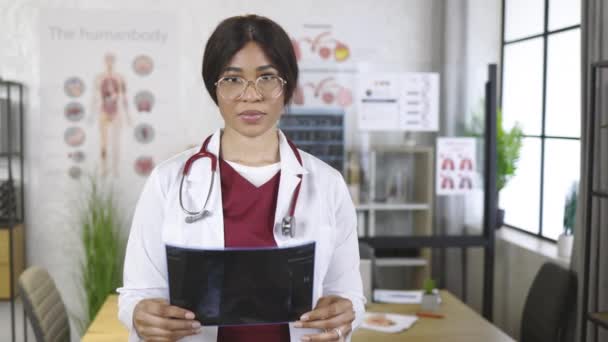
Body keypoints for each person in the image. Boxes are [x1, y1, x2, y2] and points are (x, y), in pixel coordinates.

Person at [117, 14, 365, 342]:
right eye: (233, 79)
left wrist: (345, 313)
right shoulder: (167, 182)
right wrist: (139, 313)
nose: (251, 95)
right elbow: (137, 293)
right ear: (214, 88)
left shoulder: (328, 185)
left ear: (287, 85)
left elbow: (348, 296)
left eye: (267, 77)